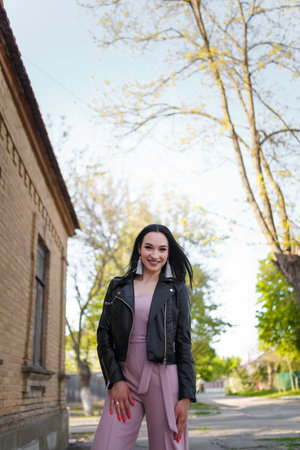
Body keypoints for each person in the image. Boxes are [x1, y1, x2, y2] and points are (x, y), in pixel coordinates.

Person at [92, 224, 196, 450]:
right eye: (149, 247)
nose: (155, 255)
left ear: (168, 253)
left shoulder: (176, 289)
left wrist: (186, 397)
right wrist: (115, 379)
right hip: (125, 378)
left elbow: (184, 343)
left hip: (164, 379)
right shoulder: (118, 287)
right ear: (139, 248)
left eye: (162, 249)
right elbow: (104, 335)